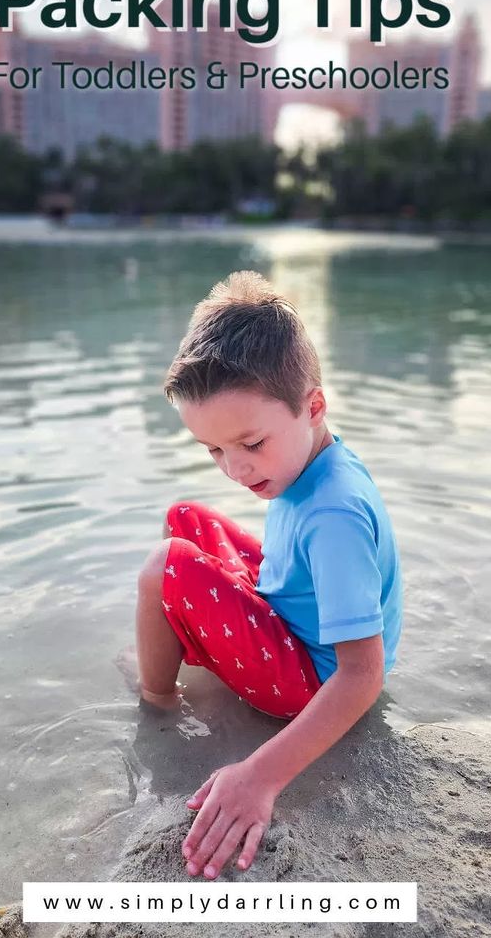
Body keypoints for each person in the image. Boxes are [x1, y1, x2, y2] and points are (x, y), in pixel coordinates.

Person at [134, 271, 403, 881]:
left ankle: (155, 699)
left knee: (165, 567)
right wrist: (257, 452)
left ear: (312, 405)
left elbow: (363, 675)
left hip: (315, 681)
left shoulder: (332, 511)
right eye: (214, 450)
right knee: (188, 521)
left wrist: (259, 774)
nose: (234, 467)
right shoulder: (309, 456)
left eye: (250, 443)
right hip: (300, 616)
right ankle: (165, 659)